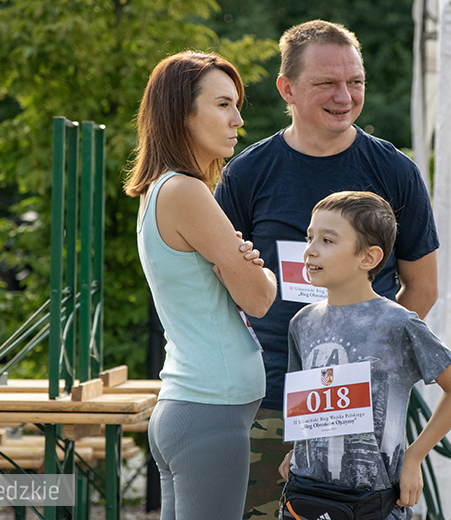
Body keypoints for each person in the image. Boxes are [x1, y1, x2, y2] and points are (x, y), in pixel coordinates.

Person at [214, 20, 440, 518]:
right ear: (286, 89)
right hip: (268, 398)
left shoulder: (395, 172)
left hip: (362, 405)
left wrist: (371, 366)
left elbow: (422, 288)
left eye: (355, 82)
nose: (345, 95)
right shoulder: (246, 174)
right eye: (327, 83)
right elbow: (219, 289)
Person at [123, 51, 278, 520]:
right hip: (209, 410)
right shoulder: (186, 193)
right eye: (223, 105)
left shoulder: (164, 189)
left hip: (195, 408)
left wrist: (249, 265)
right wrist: (260, 270)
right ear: (182, 115)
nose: (239, 119)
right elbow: (259, 298)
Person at [278, 191, 451, 518]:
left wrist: (414, 457)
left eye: (327, 240)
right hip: (305, 495)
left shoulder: (397, 322)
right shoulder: (302, 323)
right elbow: (307, 402)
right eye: (309, 237)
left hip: (375, 501)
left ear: (368, 258)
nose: (310, 250)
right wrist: (297, 451)